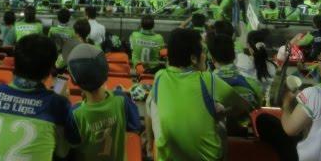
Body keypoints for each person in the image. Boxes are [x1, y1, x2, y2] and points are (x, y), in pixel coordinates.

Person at [146, 28, 248, 160]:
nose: (206, 56)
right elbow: (243, 105)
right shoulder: (207, 79)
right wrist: (223, 113)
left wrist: (149, 145)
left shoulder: (160, 77)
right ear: (193, 58)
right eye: (203, 51)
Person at [0, 34, 71, 159]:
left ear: (14, 62)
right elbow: (62, 152)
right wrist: (62, 99)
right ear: (50, 69)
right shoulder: (57, 103)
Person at [65, 43, 141, 160]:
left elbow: (71, 145)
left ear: (74, 81)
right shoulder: (122, 99)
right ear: (106, 72)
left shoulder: (75, 113)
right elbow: (135, 126)